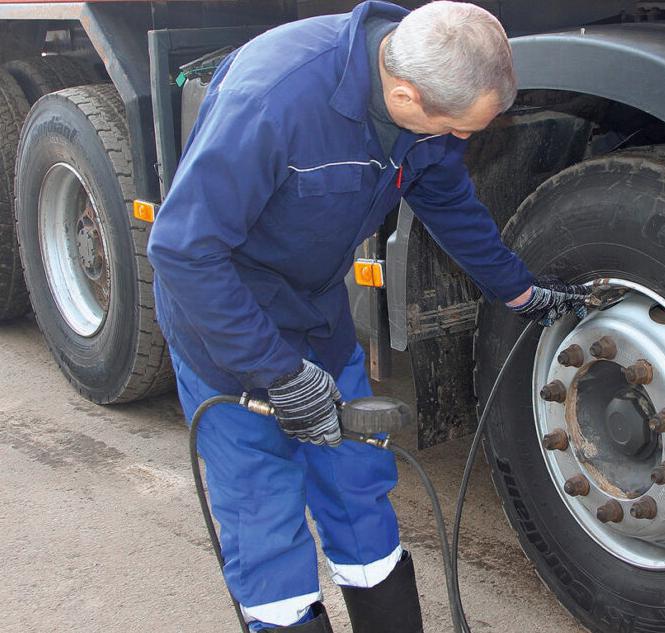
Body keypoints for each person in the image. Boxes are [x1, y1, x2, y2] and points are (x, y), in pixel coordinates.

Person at [147, 2, 589, 631]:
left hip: (317, 321)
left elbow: (448, 202)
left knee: (357, 487)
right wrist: (277, 373)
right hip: (228, 332)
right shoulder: (273, 100)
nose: (462, 140)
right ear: (404, 96)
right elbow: (182, 250)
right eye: (457, 128)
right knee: (263, 513)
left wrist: (520, 293)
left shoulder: (425, 102)